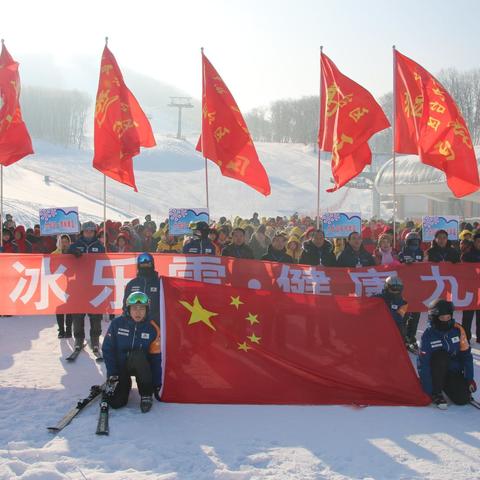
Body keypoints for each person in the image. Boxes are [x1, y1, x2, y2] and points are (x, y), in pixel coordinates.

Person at [102, 291, 162, 413]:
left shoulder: (153, 328)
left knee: (138, 355)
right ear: (128, 309)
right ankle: (124, 385)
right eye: (134, 308)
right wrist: (112, 373)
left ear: (147, 310)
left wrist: (156, 383)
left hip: (142, 367)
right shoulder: (117, 324)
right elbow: (107, 349)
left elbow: (156, 358)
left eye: (142, 309)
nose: (138, 312)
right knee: (117, 403)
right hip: (121, 366)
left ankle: (145, 394)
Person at [417, 299, 476, 409]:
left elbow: (466, 356)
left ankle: (446, 384)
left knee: (462, 399)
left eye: (448, 317)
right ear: (434, 318)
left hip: (452, 370)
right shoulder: (428, 335)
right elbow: (423, 364)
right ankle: (437, 390)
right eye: (442, 318)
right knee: (441, 356)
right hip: (435, 370)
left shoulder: (458, 330)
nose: (446, 320)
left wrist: (469, 379)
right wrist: (429, 391)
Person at [68, 221, 105, 352]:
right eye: (86, 231)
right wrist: (71, 250)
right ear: (82, 232)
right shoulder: (77, 245)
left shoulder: (100, 246)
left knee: (95, 315)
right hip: (79, 285)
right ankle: (79, 338)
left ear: (95, 232)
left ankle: (95, 339)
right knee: (78, 314)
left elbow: (106, 264)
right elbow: (66, 256)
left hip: (94, 286)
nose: (88, 233)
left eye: (91, 231)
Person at [398, 231, 424, 351]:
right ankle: (402, 338)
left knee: (416, 314)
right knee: (405, 314)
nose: (414, 243)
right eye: (411, 242)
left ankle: (411, 337)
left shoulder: (422, 253)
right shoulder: (402, 253)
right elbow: (397, 266)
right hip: (406, 289)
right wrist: (404, 263)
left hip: (418, 289)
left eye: (416, 241)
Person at [123, 253, 160, 325]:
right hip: (135, 324)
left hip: (155, 325)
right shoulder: (132, 284)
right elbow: (125, 305)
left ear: (152, 265)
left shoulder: (160, 284)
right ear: (138, 266)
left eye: (148, 265)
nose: (145, 267)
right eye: (143, 265)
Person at [461, 232, 480, 342]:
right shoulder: (467, 255)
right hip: (470, 289)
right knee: (467, 315)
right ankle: (466, 336)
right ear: (474, 242)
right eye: (478, 241)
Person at [53, 234, 73, 338]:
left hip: (70, 284)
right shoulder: (54, 254)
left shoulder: (73, 253)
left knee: (69, 308)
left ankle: (69, 329)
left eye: (66, 241)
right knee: (59, 308)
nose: (64, 244)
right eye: (62, 241)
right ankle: (61, 330)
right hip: (58, 284)